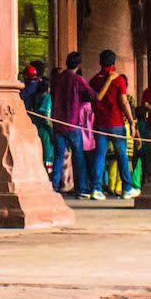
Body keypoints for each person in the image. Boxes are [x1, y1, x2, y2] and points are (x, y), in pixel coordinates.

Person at [88, 49, 140, 199]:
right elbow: (124, 102)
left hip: (99, 124)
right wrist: (131, 121)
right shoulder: (118, 80)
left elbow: (93, 102)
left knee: (100, 156)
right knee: (122, 156)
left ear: (100, 62)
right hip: (116, 123)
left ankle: (96, 189)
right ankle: (127, 188)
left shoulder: (94, 80)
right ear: (114, 62)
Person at [50, 51, 98, 199]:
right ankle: (81, 188)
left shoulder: (57, 79)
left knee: (58, 156)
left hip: (58, 123)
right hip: (73, 123)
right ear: (78, 64)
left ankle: (53, 186)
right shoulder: (78, 80)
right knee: (78, 157)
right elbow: (92, 95)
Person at [21, 62, 53, 170]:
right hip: (43, 127)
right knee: (46, 151)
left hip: (34, 123)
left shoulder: (27, 89)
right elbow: (47, 118)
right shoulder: (46, 97)